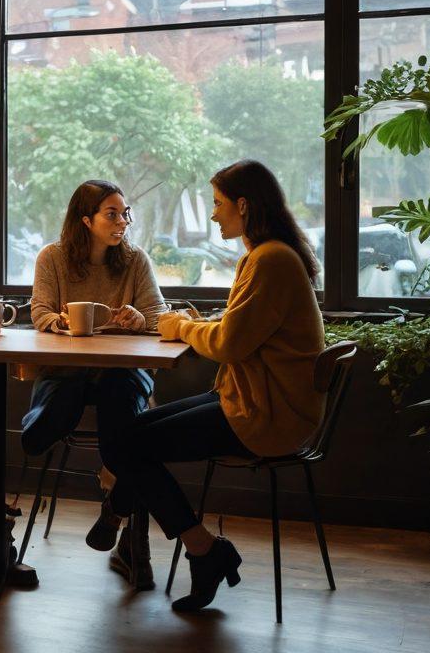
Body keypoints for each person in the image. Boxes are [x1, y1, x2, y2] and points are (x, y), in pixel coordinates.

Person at [111, 159, 325, 612]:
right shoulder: (269, 255)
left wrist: (181, 327)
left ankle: (201, 548)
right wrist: (198, 323)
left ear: (243, 206)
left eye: (218, 203)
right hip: (255, 401)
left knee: (125, 446)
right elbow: (243, 329)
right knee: (126, 438)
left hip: (265, 415)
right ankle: (123, 513)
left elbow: (229, 343)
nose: (213, 214)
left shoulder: (270, 260)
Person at [23, 179, 165, 588]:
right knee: (117, 426)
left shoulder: (135, 260)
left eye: (125, 213)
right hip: (68, 371)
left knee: (122, 402)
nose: (123, 222)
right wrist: (59, 322)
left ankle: (119, 517)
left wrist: (140, 319)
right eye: (112, 214)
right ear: (86, 220)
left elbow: (159, 314)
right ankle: (127, 531)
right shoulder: (52, 258)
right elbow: (39, 312)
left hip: (123, 372)